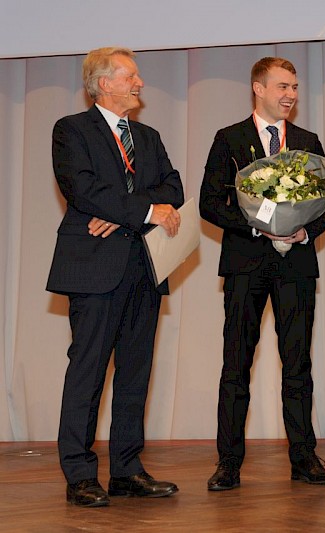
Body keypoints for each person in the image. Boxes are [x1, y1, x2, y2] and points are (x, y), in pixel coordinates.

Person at [47, 47, 184, 507]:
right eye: (131, 76)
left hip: (144, 268)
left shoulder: (148, 136)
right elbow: (82, 188)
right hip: (93, 269)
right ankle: (80, 474)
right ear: (104, 83)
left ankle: (127, 470)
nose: (140, 83)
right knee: (87, 373)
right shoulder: (71, 130)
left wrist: (127, 213)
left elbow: (173, 188)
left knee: (134, 374)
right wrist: (143, 210)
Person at [199, 57, 325, 490]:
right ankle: (228, 463)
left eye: (294, 87)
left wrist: (303, 231)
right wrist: (258, 226)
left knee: (298, 364)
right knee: (236, 364)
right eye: (282, 87)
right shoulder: (229, 138)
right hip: (245, 265)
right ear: (258, 89)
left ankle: (304, 458)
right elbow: (209, 204)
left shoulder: (307, 140)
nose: (290, 95)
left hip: (296, 265)